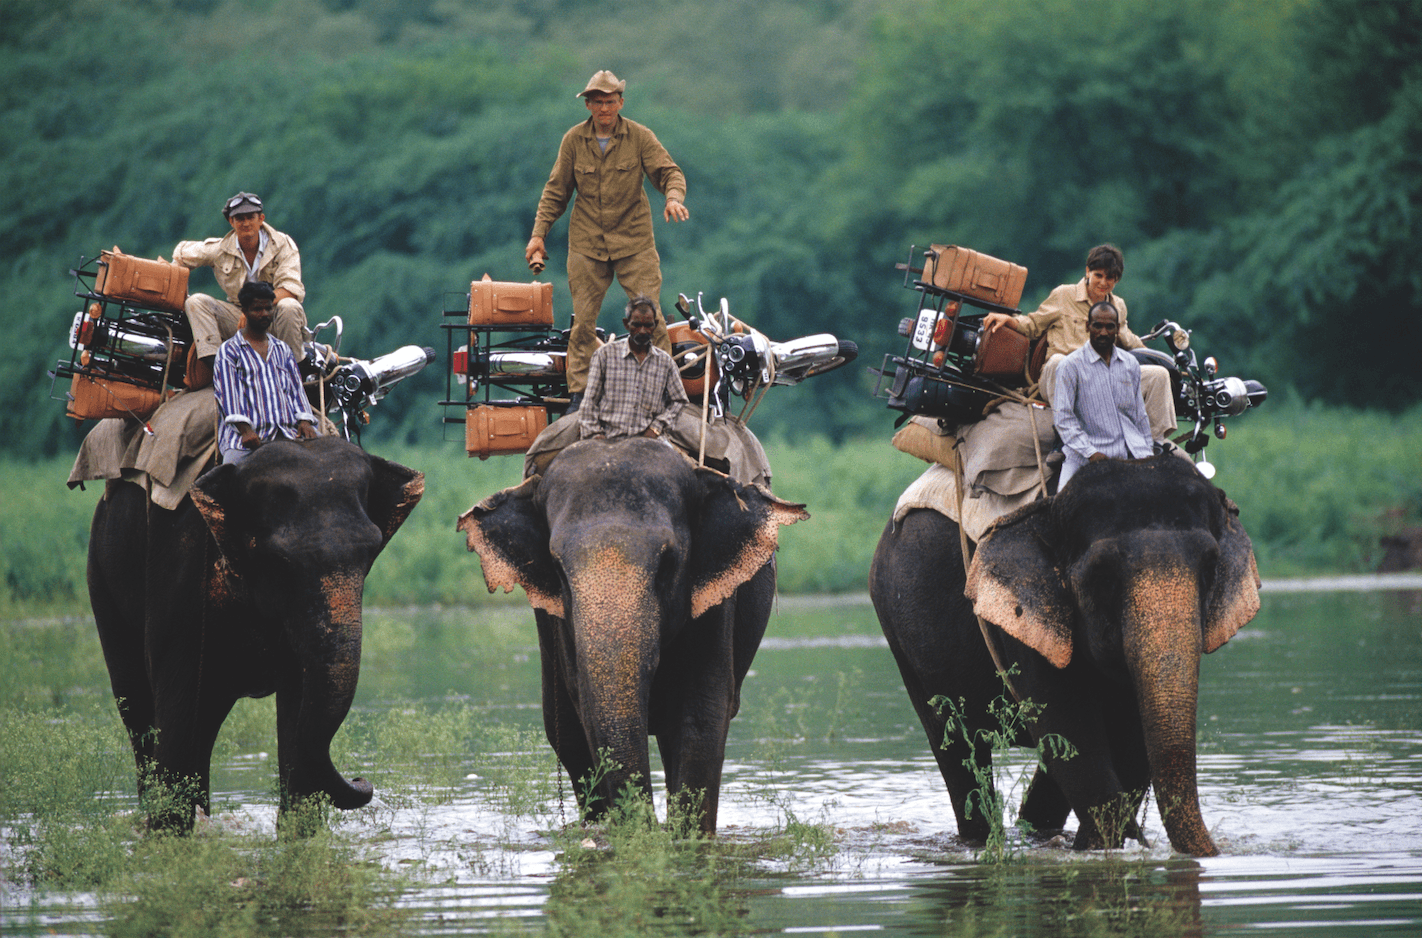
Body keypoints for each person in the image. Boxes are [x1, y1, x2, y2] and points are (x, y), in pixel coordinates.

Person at [525, 70, 689, 411]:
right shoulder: (573, 140)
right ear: (588, 104)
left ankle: (663, 390)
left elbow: (667, 172)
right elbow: (557, 191)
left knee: (651, 315)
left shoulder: (639, 136)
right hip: (587, 242)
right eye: (597, 102)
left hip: (634, 241)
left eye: (610, 101)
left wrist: (673, 197)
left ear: (620, 103)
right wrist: (539, 235)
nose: (604, 108)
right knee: (583, 322)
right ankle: (580, 395)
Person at [983, 243, 1175, 441]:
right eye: (1098, 275)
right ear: (1087, 272)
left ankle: (1153, 444)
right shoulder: (1063, 295)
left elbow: (1129, 340)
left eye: (1110, 278)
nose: (1103, 282)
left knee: (1158, 375)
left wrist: (1158, 359)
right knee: (1061, 363)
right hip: (1062, 374)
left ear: (1116, 280)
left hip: (1101, 376)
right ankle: (1066, 437)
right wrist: (1009, 320)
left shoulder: (1118, 306)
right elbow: (1032, 324)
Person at [172, 191, 308, 376]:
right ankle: (221, 370)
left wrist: (254, 306)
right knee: (196, 302)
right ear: (231, 222)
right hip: (239, 320)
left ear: (261, 219)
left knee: (289, 306)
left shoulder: (282, 245)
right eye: (239, 218)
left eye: (250, 217)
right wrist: (170, 269)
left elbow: (291, 289)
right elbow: (182, 254)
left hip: (275, 318)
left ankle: (295, 372)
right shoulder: (220, 249)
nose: (246, 223)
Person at [213, 281, 319, 464]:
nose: (264, 314)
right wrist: (245, 431)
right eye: (257, 309)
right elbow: (228, 396)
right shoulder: (229, 351)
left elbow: (296, 390)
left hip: (287, 432)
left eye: (268, 309)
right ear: (244, 311)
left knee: (329, 462)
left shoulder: (283, 349)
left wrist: (305, 421)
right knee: (229, 478)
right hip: (247, 440)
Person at [1052, 302, 1154, 490]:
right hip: (1084, 457)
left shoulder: (1130, 363)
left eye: (1110, 327)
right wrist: (1091, 453)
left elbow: (1140, 415)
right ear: (1087, 326)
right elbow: (1063, 418)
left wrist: (1147, 452)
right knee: (1062, 506)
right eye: (1097, 325)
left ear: (1118, 329)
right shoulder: (1070, 366)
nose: (1104, 332)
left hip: (1130, 453)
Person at [579, 295, 689, 441]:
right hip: (609, 437)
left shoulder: (665, 362)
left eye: (648, 325)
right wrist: (595, 434)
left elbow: (679, 401)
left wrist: (656, 427)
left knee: (677, 463)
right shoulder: (604, 355)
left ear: (655, 325)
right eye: (636, 325)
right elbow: (589, 401)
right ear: (626, 324)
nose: (642, 331)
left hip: (649, 441)